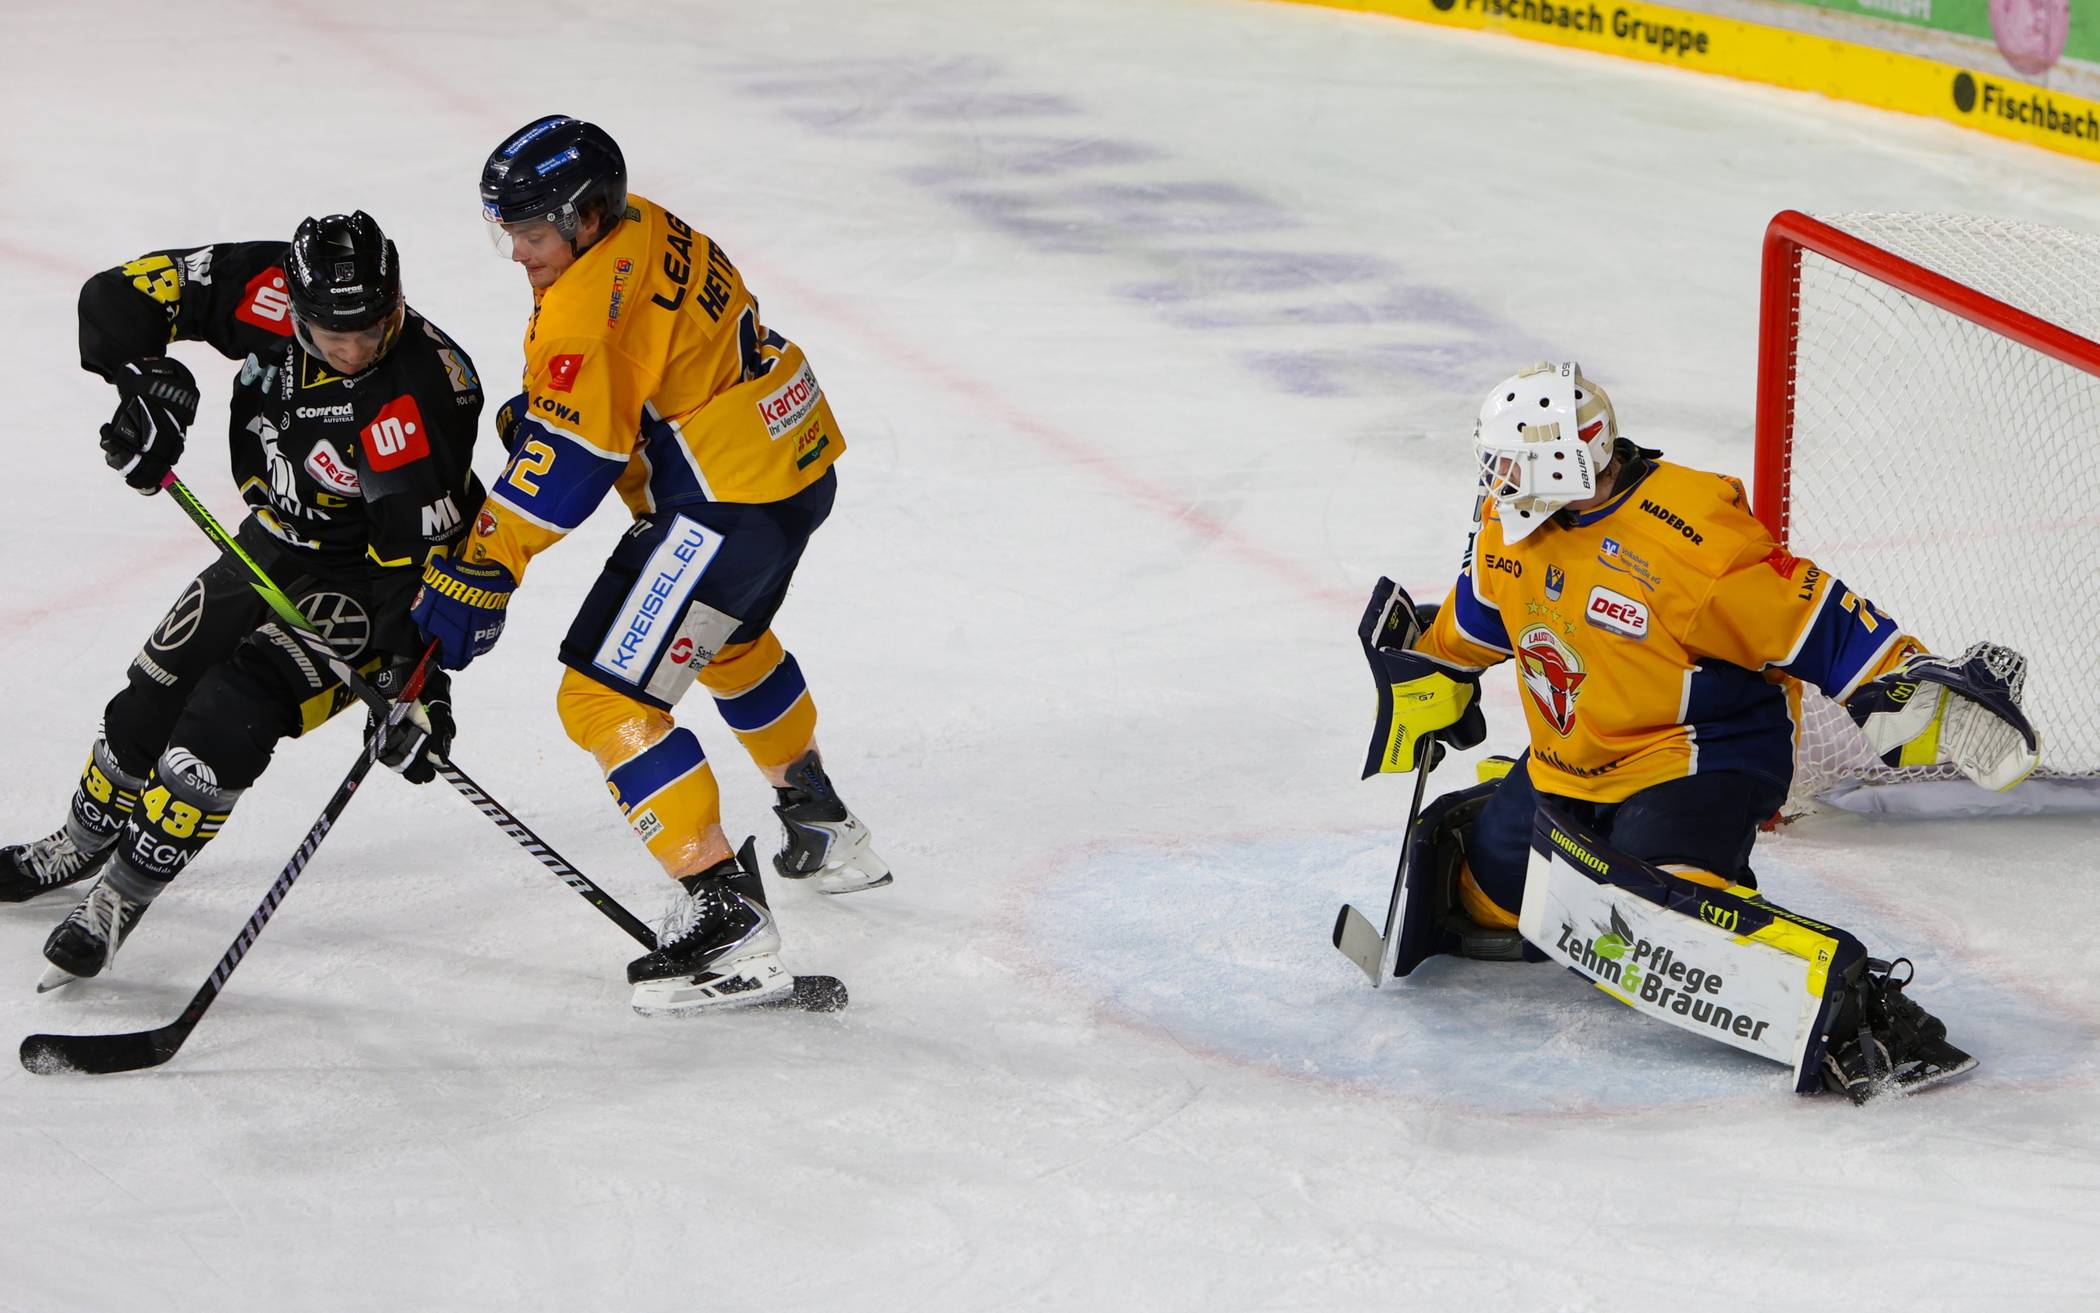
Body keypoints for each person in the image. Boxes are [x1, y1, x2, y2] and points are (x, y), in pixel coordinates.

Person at [1362, 360, 2038, 1099]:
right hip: (1570, 760)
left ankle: (1856, 1010)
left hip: (1697, 757)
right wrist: (1430, 663)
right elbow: (1481, 618)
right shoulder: (1512, 520)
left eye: (1510, 464)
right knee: (1487, 898)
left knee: (1654, 932)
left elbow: (1818, 620)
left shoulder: (1693, 543)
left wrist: (1905, 683)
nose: (1495, 481)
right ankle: (1570, 839)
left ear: (1560, 463)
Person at [410, 115, 891, 1016]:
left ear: (587, 216)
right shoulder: (646, 223)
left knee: (602, 699)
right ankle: (821, 819)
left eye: (532, 232)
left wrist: (482, 567)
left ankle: (726, 918)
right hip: (791, 462)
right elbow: (647, 363)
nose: (519, 253)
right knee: (726, 640)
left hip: (724, 502)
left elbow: (572, 466)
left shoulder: (586, 311)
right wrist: (562, 406)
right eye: (506, 233)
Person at [1, 213, 484, 988]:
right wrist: (142, 384)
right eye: (334, 334)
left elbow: (418, 557)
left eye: (373, 328)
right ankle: (81, 839)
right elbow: (119, 294)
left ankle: (120, 895)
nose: (356, 350)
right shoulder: (262, 285)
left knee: (226, 716)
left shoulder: (419, 391)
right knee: (154, 687)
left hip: (367, 582)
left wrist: (415, 681)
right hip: (272, 542)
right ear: (295, 305)